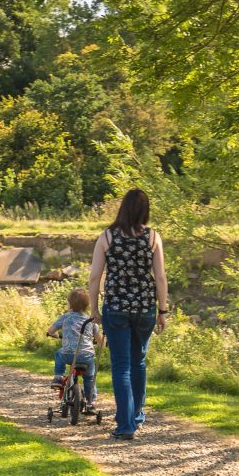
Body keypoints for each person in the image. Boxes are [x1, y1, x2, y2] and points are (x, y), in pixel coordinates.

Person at [89, 188, 168, 439]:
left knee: (121, 365)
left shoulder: (107, 237)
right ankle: (136, 416)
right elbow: (161, 278)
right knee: (138, 363)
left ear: (122, 208)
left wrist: (93, 308)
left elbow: (94, 277)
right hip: (145, 307)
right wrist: (162, 311)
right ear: (145, 210)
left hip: (116, 307)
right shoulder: (153, 237)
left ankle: (125, 426)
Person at [46, 288, 100, 402]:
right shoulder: (90, 320)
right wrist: (103, 344)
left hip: (68, 354)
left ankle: (58, 377)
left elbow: (50, 330)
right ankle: (91, 402)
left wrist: (55, 335)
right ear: (86, 306)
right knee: (89, 378)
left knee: (59, 353)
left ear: (69, 303)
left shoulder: (65, 317)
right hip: (87, 356)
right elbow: (100, 340)